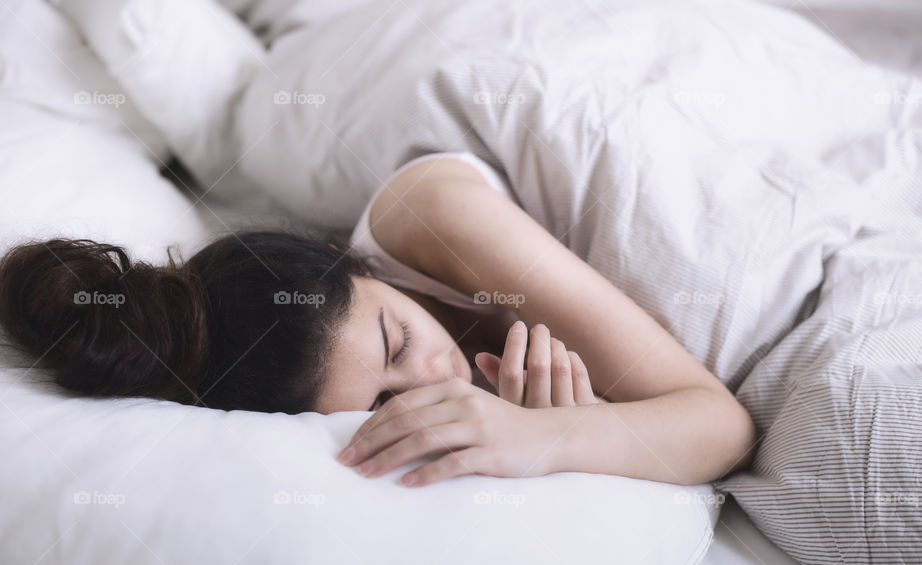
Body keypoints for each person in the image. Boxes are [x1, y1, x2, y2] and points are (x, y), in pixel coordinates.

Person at [0, 152, 756, 489]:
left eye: (399, 340)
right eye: (385, 404)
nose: (436, 381)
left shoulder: (433, 217)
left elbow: (722, 426)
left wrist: (550, 436)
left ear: (355, 264)